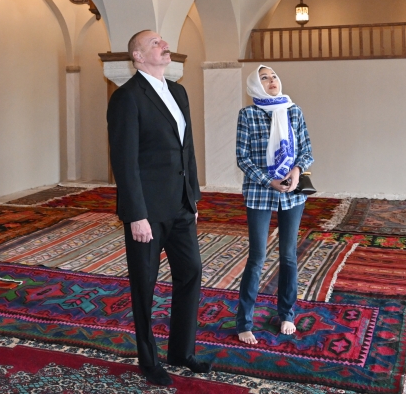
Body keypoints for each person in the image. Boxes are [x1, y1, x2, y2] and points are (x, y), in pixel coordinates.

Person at [107, 30, 211, 386]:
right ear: (137, 56)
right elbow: (124, 162)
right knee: (144, 285)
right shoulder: (127, 97)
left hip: (180, 205)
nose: (164, 45)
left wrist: (192, 196)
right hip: (147, 212)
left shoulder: (178, 92)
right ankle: (148, 360)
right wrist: (136, 214)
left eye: (163, 41)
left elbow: (187, 149)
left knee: (191, 272)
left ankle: (181, 351)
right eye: (155, 43)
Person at [235, 65, 314, 345]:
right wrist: (269, 180)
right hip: (260, 192)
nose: (271, 81)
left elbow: (306, 150)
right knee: (257, 257)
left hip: (292, 193)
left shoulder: (294, 111)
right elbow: (242, 157)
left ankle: (287, 314)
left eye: (274, 76)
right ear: (255, 86)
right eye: (264, 78)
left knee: (289, 256)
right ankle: (244, 322)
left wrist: (296, 172)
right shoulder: (248, 114)